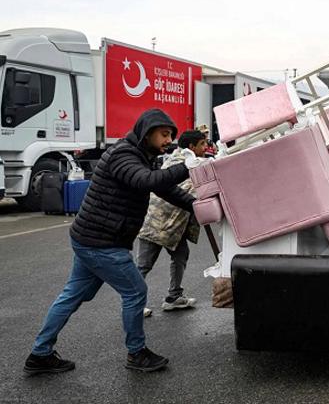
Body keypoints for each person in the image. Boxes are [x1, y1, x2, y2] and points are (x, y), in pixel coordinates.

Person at [25, 109, 195, 375]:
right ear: (146, 132)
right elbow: (145, 182)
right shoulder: (123, 155)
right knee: (135, 291)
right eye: (163, 134)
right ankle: (137, 353)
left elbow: (162, 188)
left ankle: (40, 353)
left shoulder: (142, 156)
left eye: (170, 135)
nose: (168, 140)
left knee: (71, 296)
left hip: (90, 237)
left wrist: (196, 205)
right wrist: (187, 168)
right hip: (101, 241)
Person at [136, 131, 208, 317]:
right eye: (202, 144)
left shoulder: (179, 159)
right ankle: (133, 304)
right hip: (158, 222)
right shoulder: (184, 163)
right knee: (144, 264)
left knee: (181, 255)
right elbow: (195, 190)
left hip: (173, 224)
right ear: (191, 148)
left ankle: (174, 296)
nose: (205, 148)